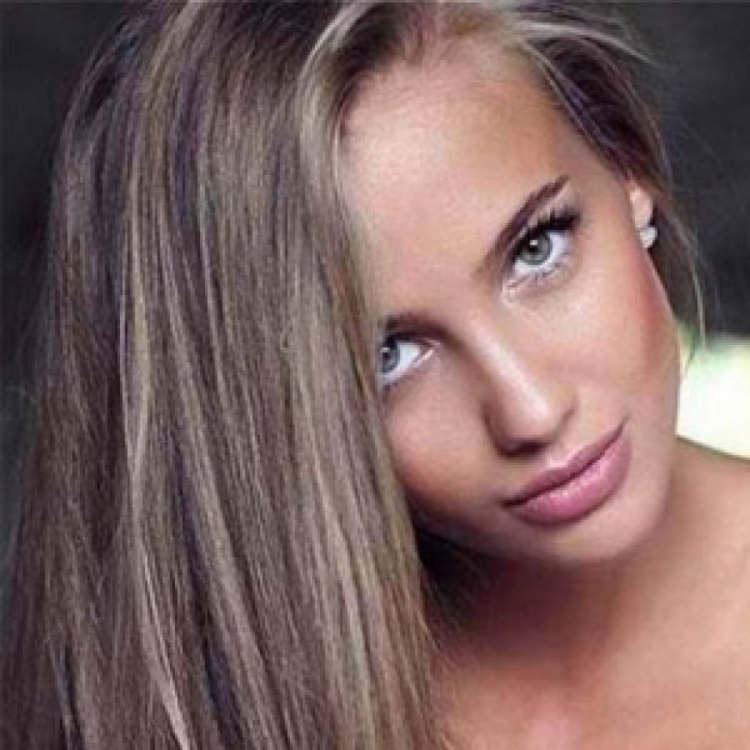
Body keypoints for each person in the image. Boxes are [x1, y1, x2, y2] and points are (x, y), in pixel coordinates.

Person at [2, 2, 749, 749]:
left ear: (626, 172)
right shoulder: (216, 710)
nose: (531, 410)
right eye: (385, 357)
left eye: (537, 248)